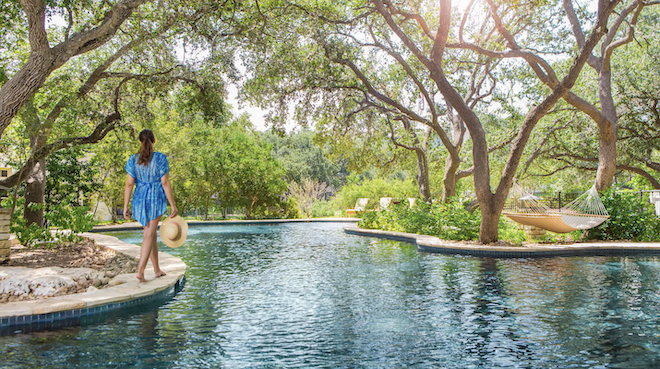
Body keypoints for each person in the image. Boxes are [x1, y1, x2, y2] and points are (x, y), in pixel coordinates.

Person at [123, 129, 178, 282]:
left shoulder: (133, 160)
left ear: (140, 142)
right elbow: (165, 182)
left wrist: (126, 205)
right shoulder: (160, 159)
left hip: (139, 198)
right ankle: (140, 271)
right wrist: (172, 205)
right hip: (155, 197)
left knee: (151, 233)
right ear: (154, 141)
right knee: (148, 234)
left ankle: (156, 269)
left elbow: (129, 184)